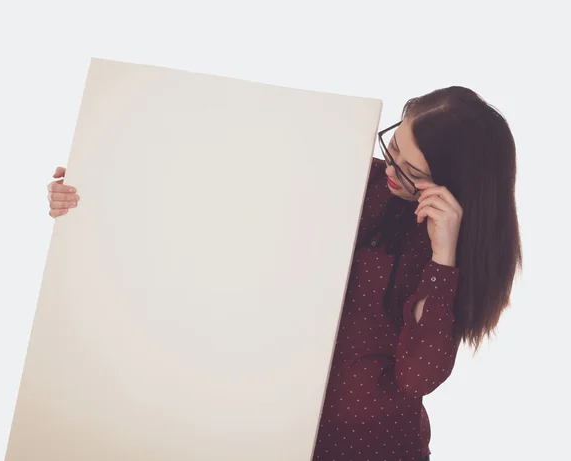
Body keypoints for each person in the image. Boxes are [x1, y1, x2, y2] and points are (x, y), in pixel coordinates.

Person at [46, 86, 522, 461]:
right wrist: (97, 180)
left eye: (412, 171)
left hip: (371, 450)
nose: (391, 170)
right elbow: (207, 200)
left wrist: (443, 259)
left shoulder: (455, 251)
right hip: (263, 433)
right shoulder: (349, 177)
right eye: (392, 147)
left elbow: (417, 377)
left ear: (453, 184)